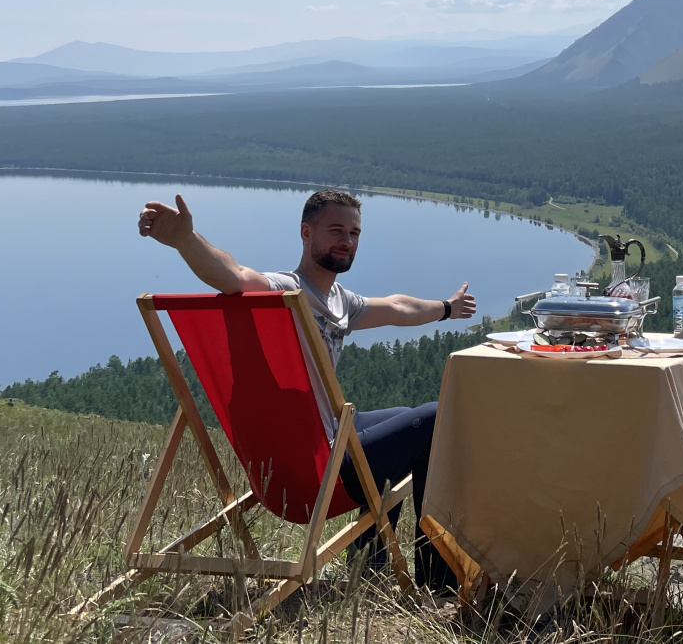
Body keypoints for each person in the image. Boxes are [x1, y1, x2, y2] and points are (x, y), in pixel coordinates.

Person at [138, 186, 473, 590]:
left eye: (354, 233)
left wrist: (448, 309)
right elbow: (233, 276)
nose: (346, 241)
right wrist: (186, 241)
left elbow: (398, 307)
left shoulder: (340, 302)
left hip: (300, 461)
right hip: (312, 477)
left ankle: (368, 566)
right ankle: (437, 582)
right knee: (434, 418)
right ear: (306, 233)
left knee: (404, 418)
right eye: (336, 230)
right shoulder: (284, 291)